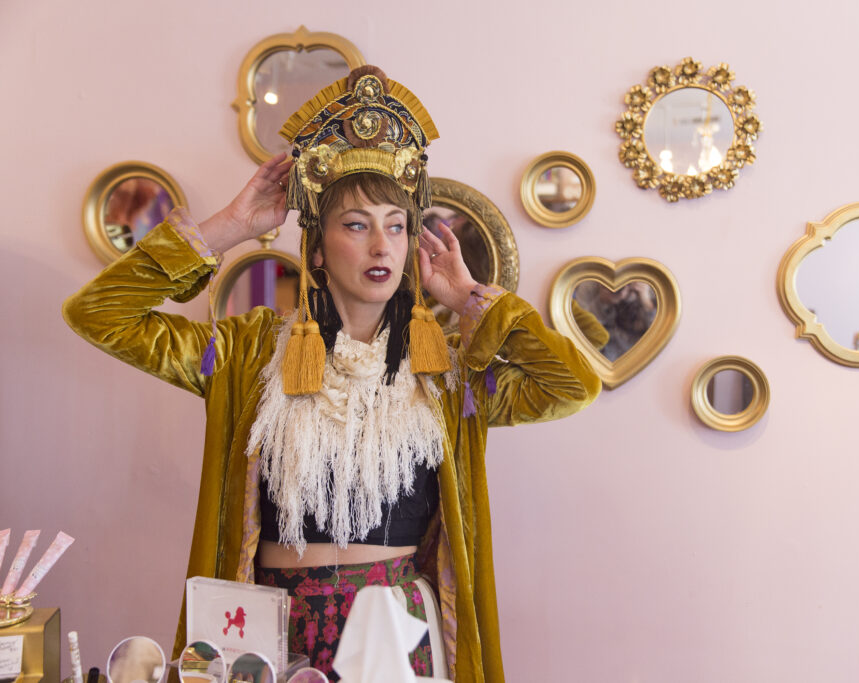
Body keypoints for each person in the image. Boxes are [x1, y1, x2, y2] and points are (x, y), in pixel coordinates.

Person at [63, 65, 600, 682]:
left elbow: (571, 386)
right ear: (317, 248)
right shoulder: (246, 354)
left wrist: (472, 299)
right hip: (270, 634)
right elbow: (98, 315)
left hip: (398, 638)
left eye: (395, 227)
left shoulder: (447, 373)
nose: (381, 246)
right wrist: (232, 227)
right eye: (356, 225)